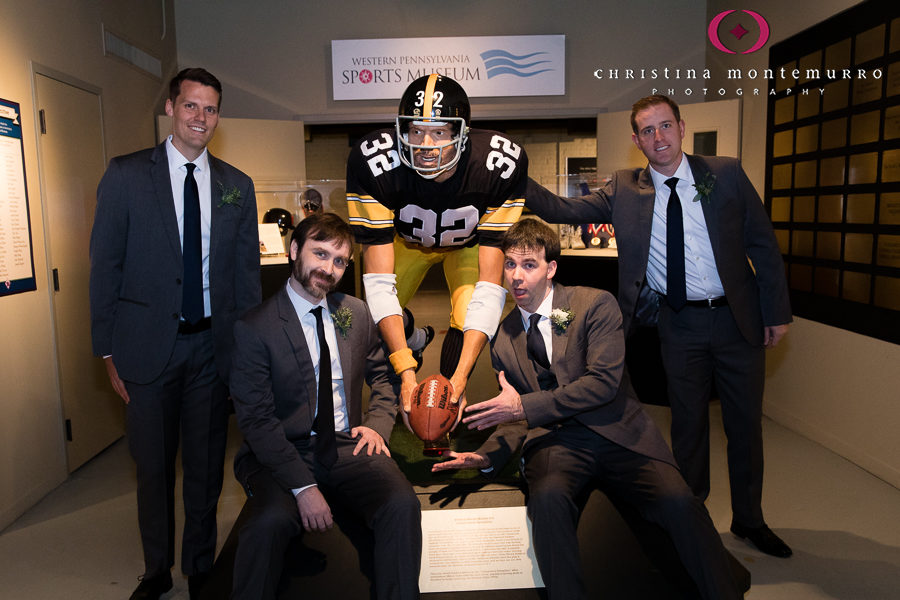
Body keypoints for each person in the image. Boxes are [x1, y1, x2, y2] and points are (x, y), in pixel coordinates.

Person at [525, 94, 793, 557]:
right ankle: (692, 521)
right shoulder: (626, 188)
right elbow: (562, 209)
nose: (658, 138)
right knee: (687, 429)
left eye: (665, 126)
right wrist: (509, 177)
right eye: (647, 131)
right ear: (636, 141)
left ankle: (750, 520)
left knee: (745, 427)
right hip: (679, 324)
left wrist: (776, 313)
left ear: (682, 128)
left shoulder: (724, 173)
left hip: (737, 320)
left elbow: (762, 244)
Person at [433, 218, 742, 600]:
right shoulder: (503, 336)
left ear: (551, 269)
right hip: (555, 444)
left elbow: (601, 385)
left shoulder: (594, 304)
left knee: (681, 503)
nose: (516, 276)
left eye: (529, 265)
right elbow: (514, 417)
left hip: (619, 434)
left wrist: (521, 408)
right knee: (546, 504)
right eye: (510, 264)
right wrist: (486, 457)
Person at [89, 68, 261, 600]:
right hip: (146, 350)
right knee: (154, 470)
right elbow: (105, 266)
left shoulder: (236, 186)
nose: (200, 118)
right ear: (170, 107)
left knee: (206, 467)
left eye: (210, 109)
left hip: (213, 349)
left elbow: (246, 276)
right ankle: (157, 570)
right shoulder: (125, 176)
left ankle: (200, 564)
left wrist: (247, 355)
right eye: (191, 106)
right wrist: (107, 350)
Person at [229, 212, 421, 600]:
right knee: (266, 524)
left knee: (402, 505)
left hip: (347, 443)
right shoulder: (255, 328)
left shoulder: (354, 311)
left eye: (339, 261)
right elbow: (258, 421)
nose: (328, 269)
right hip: (282, 451)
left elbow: (382, 377)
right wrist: (303, 487)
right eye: (319, 254)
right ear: (294, 250)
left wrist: (378, 425)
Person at [346, 73, 527, 425]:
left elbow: (490, 290)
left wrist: (458, 381)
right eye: (415, 130)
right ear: (402, 130)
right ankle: (414, 339)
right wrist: (405, 372)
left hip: (469, 247)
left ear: (462, 134)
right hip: (407, 243)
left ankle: (445, 395)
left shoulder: (496, 164)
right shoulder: (374, 161)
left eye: (440, 132)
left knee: (467, 315)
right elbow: (380, 285)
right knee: (374, 316)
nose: (425, 144)